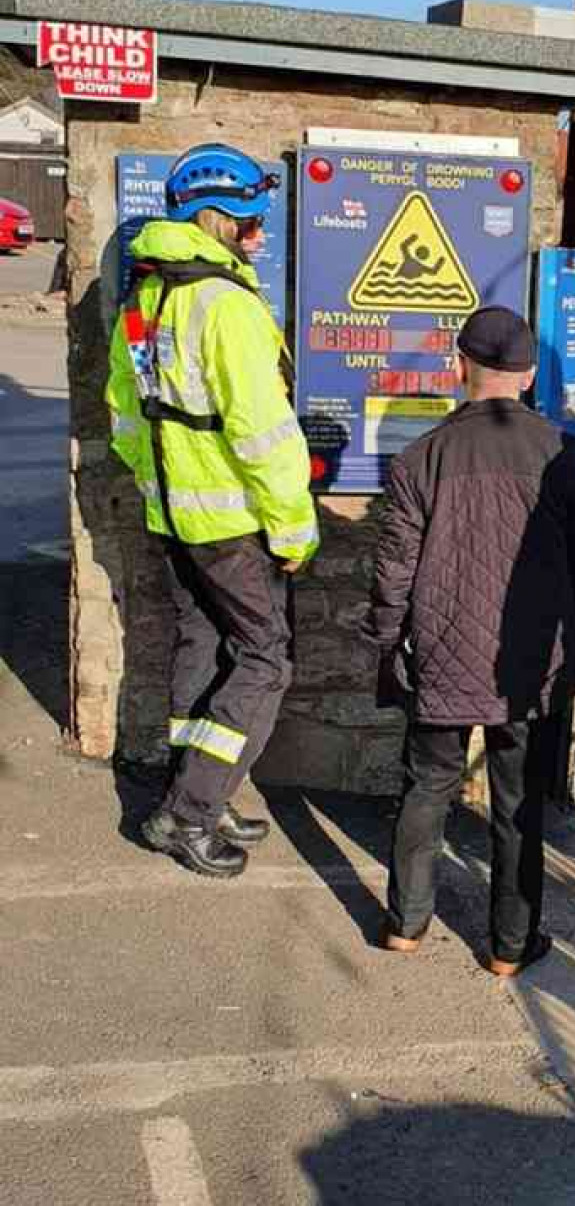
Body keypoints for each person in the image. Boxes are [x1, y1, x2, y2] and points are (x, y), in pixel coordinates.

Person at [364, 307, 575, 976]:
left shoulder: (421, 457)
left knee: (426, 788)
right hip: (531, 663)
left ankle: (404, 924)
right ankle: (508, 946)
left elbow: (393, 571)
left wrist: (389, 646)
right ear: (528, 377)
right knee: (517, 803)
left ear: (457, 366)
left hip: (441, 654)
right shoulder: (562, 453)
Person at [106, 143, 318, 879]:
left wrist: (160, 489)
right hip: (231, 524)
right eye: (250, 223)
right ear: (209, 218)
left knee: (204, 649)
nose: (260, 236)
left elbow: (125, 417)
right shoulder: (226, 305)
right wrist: (293, 526)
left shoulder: (142, 299)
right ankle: (187, 814)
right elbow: (264, 432)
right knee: (264, 661)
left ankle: (202, 786)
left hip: (174, 518)